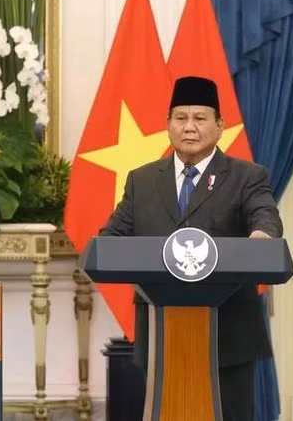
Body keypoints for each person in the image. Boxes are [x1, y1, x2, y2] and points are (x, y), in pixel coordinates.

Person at [100, 75, 282, 421]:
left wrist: (262, 234)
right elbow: (112, 237)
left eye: (200, 118)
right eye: (180, 118)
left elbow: (265, 215)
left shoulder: (247, 176)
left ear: (220, 126)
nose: (189, 127)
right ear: (168, 124)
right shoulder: (142, 180)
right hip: (161, 336)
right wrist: (103, 246)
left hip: (228, 336)